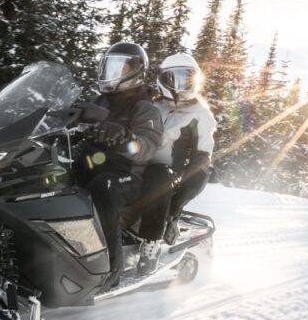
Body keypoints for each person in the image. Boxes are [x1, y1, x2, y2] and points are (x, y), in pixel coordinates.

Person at [76, 42, 163, 286]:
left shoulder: (145, 108)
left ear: (136, 71)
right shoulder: (100, 101)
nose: (113, 73)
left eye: (121, 68)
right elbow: (81, 126)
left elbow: (146, 147)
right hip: (94, 165)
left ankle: (110, 271)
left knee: (103, 188)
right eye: (110, 67)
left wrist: (125, 138)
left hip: (128, 175)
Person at [135, 52, 217, 273]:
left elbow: (202, 155)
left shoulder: (201, 114)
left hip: (169, 173)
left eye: (186, 79)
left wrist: (177, 205)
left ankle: (150, 244)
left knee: (158, 174)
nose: (179, 85)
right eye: (174, 79)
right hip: (138, 163)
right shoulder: (153, 105)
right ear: (163, 79)